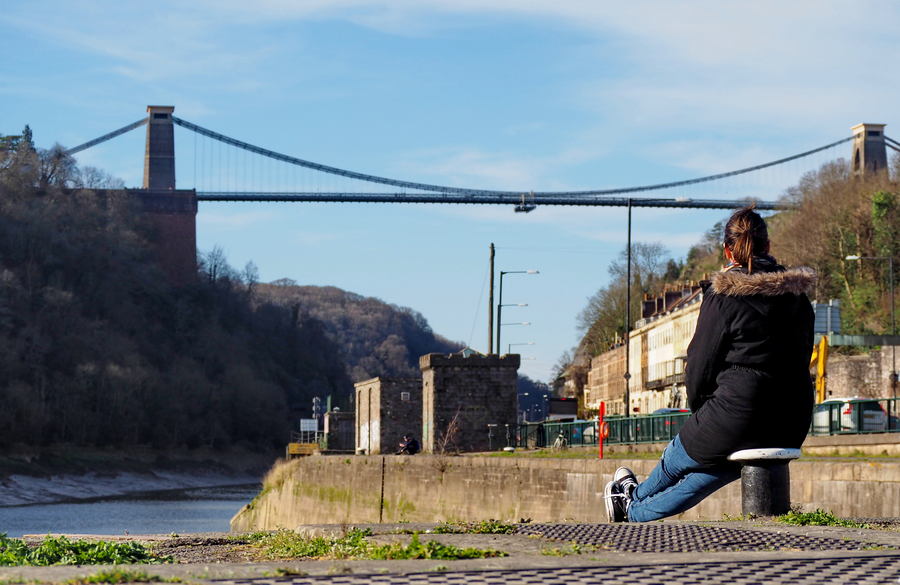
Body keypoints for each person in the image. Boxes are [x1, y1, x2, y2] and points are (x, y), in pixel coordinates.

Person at [605, 206, 816, 522]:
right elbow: (801, 356)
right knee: (715, 469)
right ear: (768, 246)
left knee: (677, 458)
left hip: (736, 412)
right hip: (791, 420)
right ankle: (630, 502)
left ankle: (631, 502)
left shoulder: (724, 297)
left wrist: (702, 407)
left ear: (727, 250)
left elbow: (700, 364)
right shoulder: (798, 298)